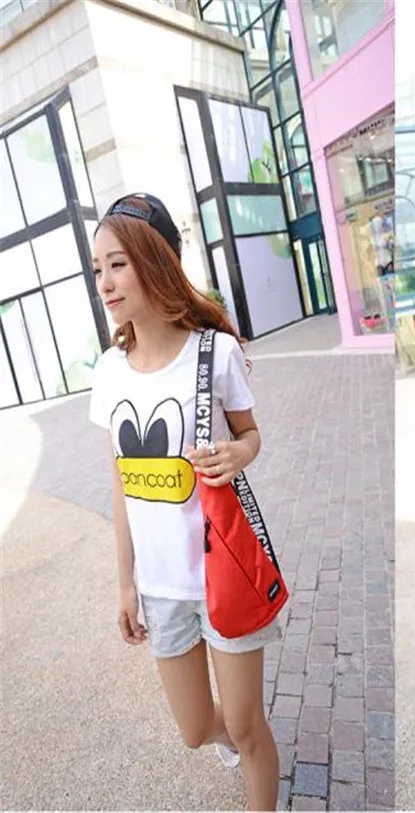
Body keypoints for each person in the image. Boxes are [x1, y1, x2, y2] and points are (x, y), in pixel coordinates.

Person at [88, 193, 281, 811]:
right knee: (196, 730)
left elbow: (251, 435)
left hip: (223, 573)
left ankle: (253, 762)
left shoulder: (213, 352)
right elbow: (121, 483)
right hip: (162, 587)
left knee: (247, 727)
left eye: (117, 264)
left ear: (155, 261)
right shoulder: (109, 371)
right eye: (98, 269)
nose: (105, 282)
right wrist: (126, 584)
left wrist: (238, 454)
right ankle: (235, 743)